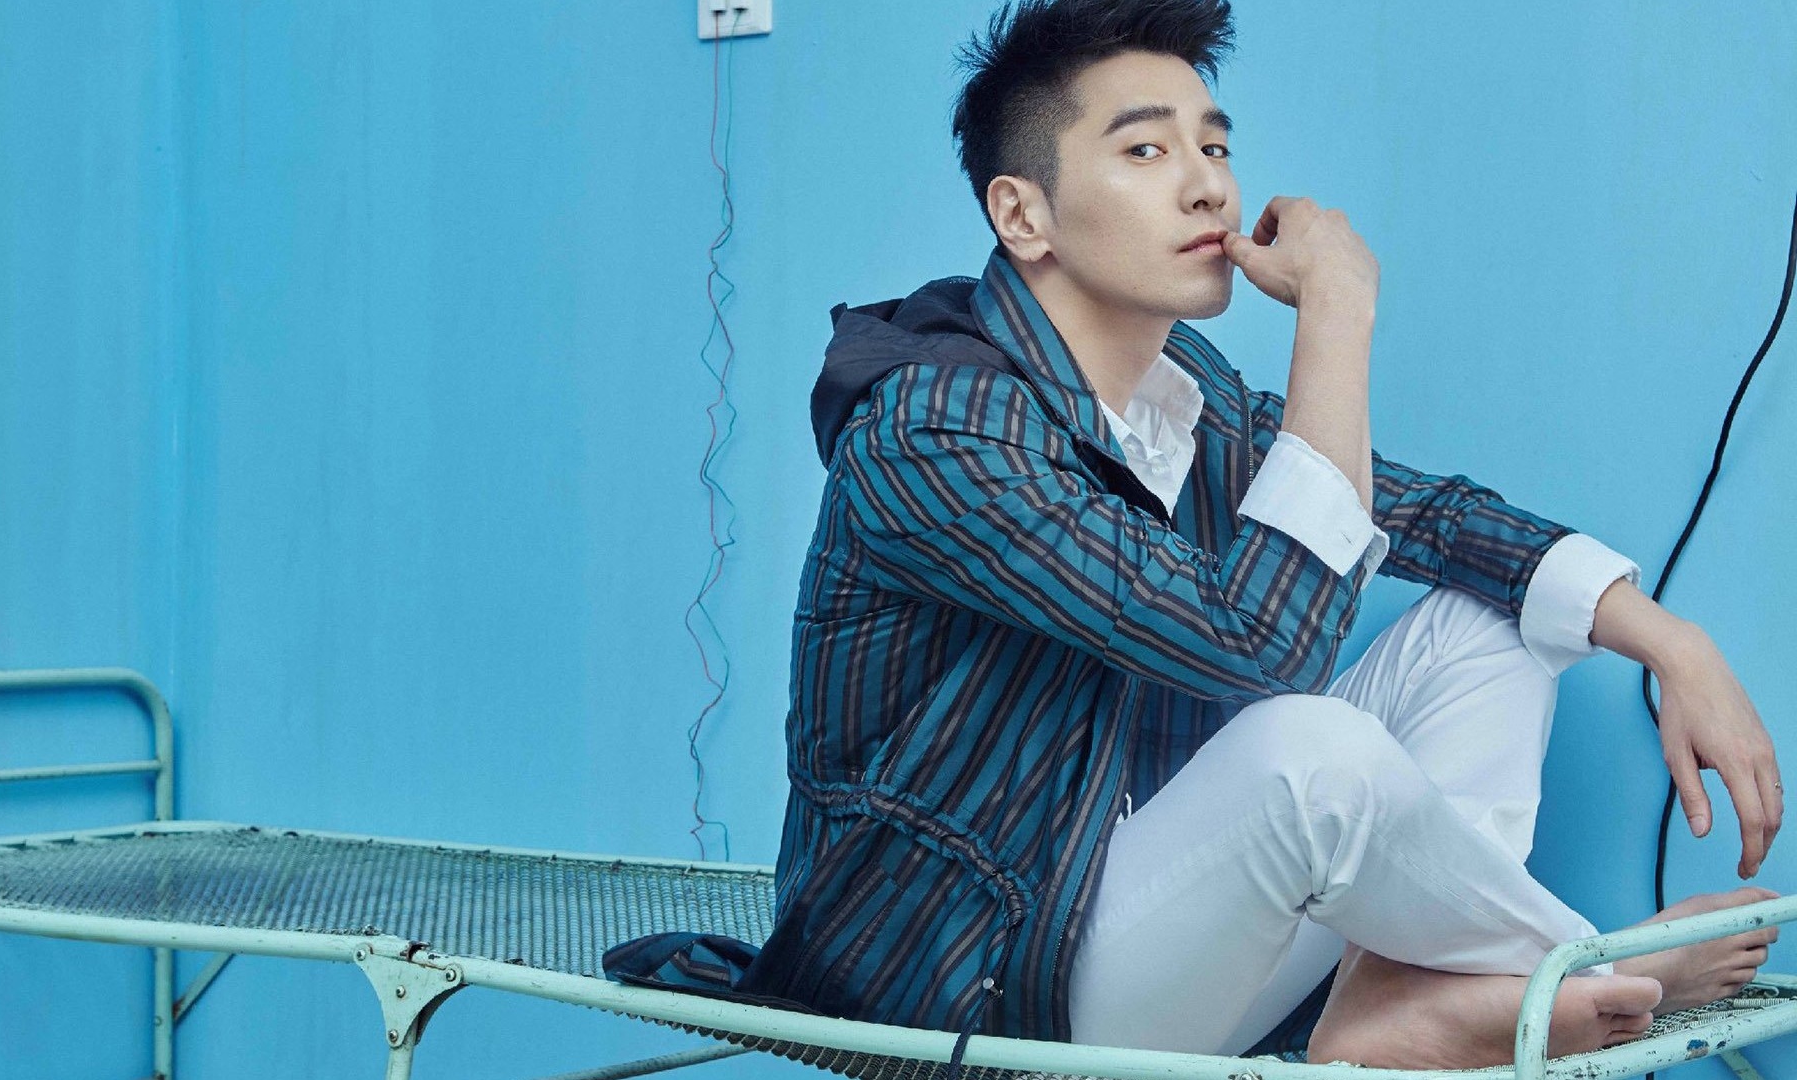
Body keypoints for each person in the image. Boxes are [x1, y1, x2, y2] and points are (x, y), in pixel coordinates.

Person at [604, 0, 1784, 1068]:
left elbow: (1417, 512)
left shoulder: (1185, 396)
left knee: (1491, 624)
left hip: (1148, 941)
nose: (1208, 188)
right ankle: (1574, 971)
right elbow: (1252, 645)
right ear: (1022, 214)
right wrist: (1337, 316)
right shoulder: (936, 430)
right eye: (1145, 151)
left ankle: (1400, 997)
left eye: (1213, 147)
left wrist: (1667, 640)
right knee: (1306, 752)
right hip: (974, 988)